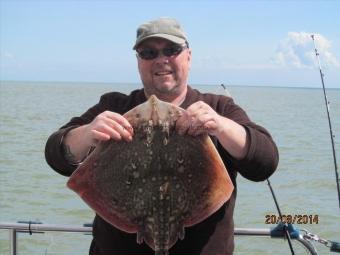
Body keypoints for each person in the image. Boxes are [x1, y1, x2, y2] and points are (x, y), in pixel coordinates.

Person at [45, 17, 279, 255]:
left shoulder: (218, 107)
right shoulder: (114, 106)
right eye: (148, 52)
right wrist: (86, 134)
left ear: (188, 55)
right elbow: (56, 153)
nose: (161, 59)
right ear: (138, 61)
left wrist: (220, 126)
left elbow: (265, 162)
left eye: (171, 50)